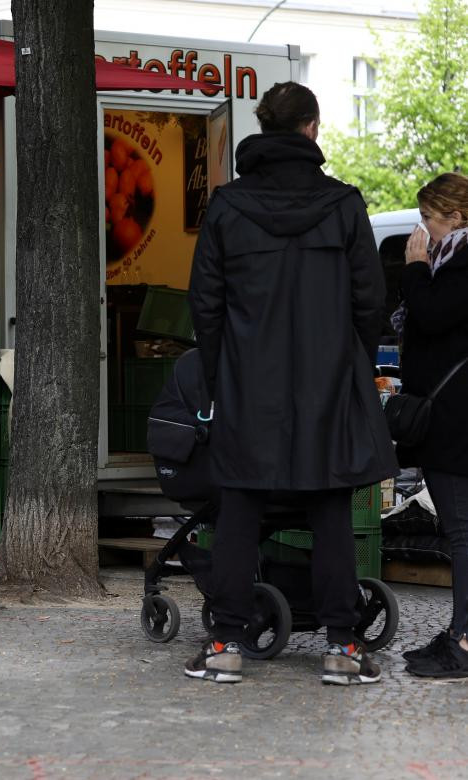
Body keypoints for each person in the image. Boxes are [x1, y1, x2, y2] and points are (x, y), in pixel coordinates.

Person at [185, 82, 398, 684]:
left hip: (249, 381)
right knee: (330, 507)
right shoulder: (344, 204)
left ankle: (225, 643)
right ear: (312, 128)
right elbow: (369, 301)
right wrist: (349, 364)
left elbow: (206, 305)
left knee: (239, 509)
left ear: (265, 126)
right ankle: (343, 649)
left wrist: (219, 375)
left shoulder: (227, 206)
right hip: (326, 380)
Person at [393, 173, 468, 678]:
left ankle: (463, 643)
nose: (422, 229)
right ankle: (459, 632)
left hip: (456, 425)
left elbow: (434, 316)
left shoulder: (458, 263)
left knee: (461, 532)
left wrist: (417, 269)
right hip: (450, 422)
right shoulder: (453, 260)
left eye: (428, 218)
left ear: (456, 218)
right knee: (459, 530)